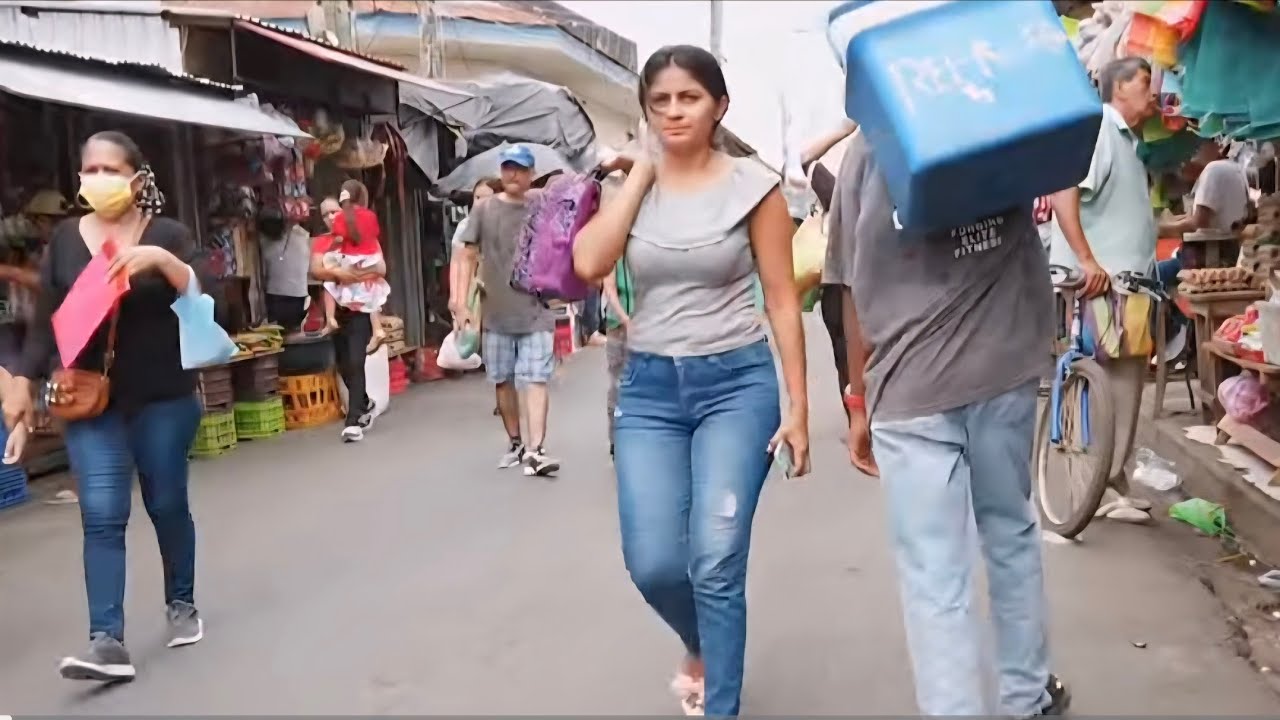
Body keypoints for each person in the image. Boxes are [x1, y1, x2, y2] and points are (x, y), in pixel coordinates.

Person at [573, 45, 810, 717]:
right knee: (653, 563)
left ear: (719, 107)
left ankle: (722, 702)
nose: (674, 111)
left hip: (737, 386)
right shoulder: (635, 184)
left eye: (690, 98)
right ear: (647, 111)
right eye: (661, 101)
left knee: (715, 559)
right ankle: (703, 643)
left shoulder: (752, 186)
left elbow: (783, 299)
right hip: (648, 391)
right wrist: (642, 173)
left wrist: (796, 406)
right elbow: (591, 262)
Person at [833, 131, 1068, 717]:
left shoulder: (866, 151)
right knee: (1010, 532)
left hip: (908, 388)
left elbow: (847, 287)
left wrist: (858, 400)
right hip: (1002, 367)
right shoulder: (997, 125)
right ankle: (1025, 698)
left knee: (934, 571)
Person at [3, 131, 208, 682]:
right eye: (88, 169)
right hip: (91, 402)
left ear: (137, 179)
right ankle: (106, 641)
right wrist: (22, 382)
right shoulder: (67, 241)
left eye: (109, 169)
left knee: (166, 503)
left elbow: (199, 294)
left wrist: (161, 261)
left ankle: (182, 602)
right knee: (101, 511)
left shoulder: (166, 234)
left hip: (163, 396)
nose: (97, 179)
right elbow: (47, 322)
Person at [1049, 56, 1160, 524]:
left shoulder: (1128, 141)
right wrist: (1088, 259)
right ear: (1118, 89)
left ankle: (1112, 482)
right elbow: (1063, 191)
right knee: (1112, 382)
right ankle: (1104, 486)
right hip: (1105, 283)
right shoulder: (1101, 131)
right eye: (1144, 83)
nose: (1153, 93)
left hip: (1128, 284)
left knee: (1126, 381)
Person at [454, 145, 561, 478]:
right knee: (503, 381)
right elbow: (467, 257)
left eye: (521, 168)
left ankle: (536, 449)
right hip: (496, 311)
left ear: (531, 174)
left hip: (536, 309)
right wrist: (460, 304)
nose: (513, 174)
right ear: (501, 172)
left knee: (536, 378)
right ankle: (515, 442)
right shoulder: (484, 210)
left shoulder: (543, 206)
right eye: (508, 168)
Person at [309, 186, 387, 443]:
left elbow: (381, 267)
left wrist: (358, 275)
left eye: (334, 211)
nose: (331, 218)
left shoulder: (362, 235)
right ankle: (364, 402)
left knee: (356, 360)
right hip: (337, 309)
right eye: (325, 215)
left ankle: (353, 421)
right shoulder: (322, 241)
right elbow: (317, 270)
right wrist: (341, 275)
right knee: (343, 365)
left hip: (359, 310)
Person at [800, 119, 858, 420]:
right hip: (868, 288)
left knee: (843, 355)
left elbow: (806, 157)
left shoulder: (834, 192)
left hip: (836, 285)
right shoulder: (879, 195)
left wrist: (844, 129)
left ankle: (856, 421)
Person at [322, 180, 390, 354]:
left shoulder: (341, 218)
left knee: (328, 280)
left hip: (350, 258)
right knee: (372, 293)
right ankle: (378, 329)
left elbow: (339, 237)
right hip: (370, 256)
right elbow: (374, 233)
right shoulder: (370, 215)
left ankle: (330, 318)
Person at [257, 205, 313, 333]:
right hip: (287, 294)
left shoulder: (264, 241)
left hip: (286, 294)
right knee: (289, 332)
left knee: (282, 332)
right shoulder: (300, 235)